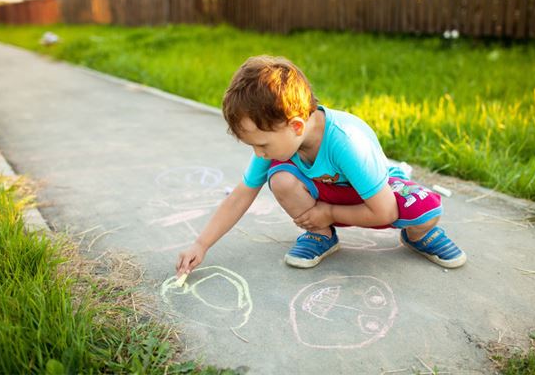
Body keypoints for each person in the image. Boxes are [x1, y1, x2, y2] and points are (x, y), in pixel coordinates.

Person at [176, 55, 466, 275]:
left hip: (373, 194)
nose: (259, 154)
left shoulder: (346, 141)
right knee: (281, 179)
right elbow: (241, 194)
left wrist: (327, 211)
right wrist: (201, 244)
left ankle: (420, 236)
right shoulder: (281, 139)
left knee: (424, 211)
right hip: (329, 195)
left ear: (296, 125)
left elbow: (385, 210)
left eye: (262, 144)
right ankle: (321, 235)